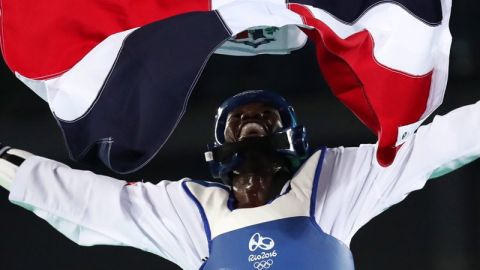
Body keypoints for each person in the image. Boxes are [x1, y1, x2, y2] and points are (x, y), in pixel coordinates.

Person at [0, 90, 479, 270]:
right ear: (219, 146)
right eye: (239, 117)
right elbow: (86, 200)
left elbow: (433, 147)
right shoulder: (191, 213)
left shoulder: (334, 183)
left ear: (293, 139)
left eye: (267, 116)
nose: (252, 118)